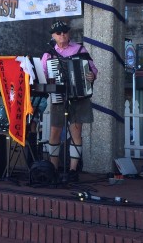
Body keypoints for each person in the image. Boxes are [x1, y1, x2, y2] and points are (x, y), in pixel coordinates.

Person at [41, 20, 98, 182]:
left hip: (78, 96)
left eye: (65, 32)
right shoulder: (48, 54)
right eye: (58, 33)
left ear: (69, 33)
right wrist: (49, 81)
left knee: (76, 131)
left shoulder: (80, 49)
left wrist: (91, 75)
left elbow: (93, 69)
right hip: (59, 97)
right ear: (53, 36)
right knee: (55, 131)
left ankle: (73, 170)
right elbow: (43, 73)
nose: (62, 35)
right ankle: (54, 167)